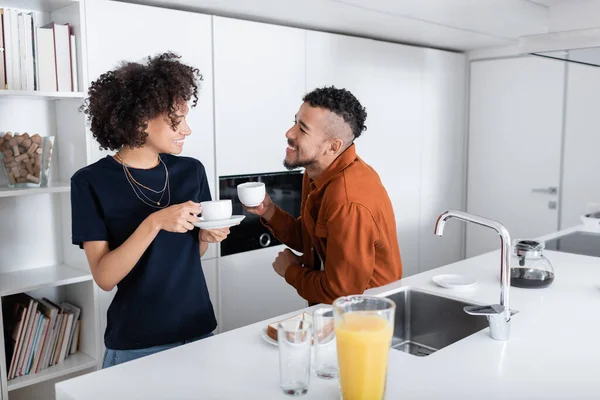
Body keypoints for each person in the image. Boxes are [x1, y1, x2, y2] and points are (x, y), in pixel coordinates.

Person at [71, 52, 229, 368]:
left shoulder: (191, 171)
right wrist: (153, 223)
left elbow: (187, 254)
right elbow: (104, 276)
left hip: (198, 330)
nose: (187, 130)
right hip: (136, 343)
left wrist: (206, 238)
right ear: (141, 119)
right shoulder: (90, 182)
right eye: (176, 120)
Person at [246, 86, 403, 305]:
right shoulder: (315, 173)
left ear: (333, 146)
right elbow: (309, 240)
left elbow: (341, 293)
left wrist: (290, 271)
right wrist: (270, 212)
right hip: (339, 315)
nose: (289, 133)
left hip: (366, 319)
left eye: (302, 128)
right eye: (295, 122)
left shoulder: (348, 201)